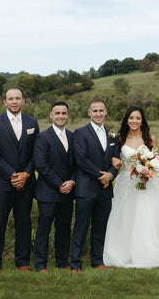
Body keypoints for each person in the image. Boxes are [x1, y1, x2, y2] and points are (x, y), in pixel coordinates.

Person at [103, 106, 159, 268]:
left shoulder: (150, 139)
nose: (134, 121)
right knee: (126, 217)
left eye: (138, 118)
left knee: (146, 216)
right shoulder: (120, 139)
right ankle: (124, 252)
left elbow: (156, 163)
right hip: (126, 183)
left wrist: (147, 174)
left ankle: (148, 252)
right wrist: (115, 162)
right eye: (131, 118)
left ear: (142, 121)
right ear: (127, 120)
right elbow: (115, 159)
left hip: (147, 183)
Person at [0, 86, 39, 274]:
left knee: (23, 223)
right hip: (1, 183)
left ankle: (22, 262)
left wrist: (26, 173)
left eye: (18, 98)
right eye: (11, 98)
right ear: (5, 101)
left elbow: (36, 153)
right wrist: (12, 174)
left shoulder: (32, 122)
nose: (14, 101)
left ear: (23, 101)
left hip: (26, 183)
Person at [70, 99, 120, 274]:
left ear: (106, 112)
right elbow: (81, 160)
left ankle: (97, 260)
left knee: (100, 227)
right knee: (81, 226)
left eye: (101, 110)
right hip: (86, 188)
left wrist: (111, 175)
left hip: (105, 190)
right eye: (95, 111)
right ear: (89, 113)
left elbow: (117, 160)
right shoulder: (80, 133)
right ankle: (75, 263)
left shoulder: (112, 135)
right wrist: (103, 176)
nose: (98, 113)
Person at [33, 102, 75, 274]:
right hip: (48, 192)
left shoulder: (73, 136)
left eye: (64, 113)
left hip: (68, 192)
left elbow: (77, 164)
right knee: (44, 228)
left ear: (67, 115)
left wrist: (72, 181)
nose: (61, 116)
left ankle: (62, 261)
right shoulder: (43, 137)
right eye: (57, 113)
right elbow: (41, 166)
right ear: (51, 115)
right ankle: (40, 264)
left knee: (64, 228)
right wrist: (59, 184)